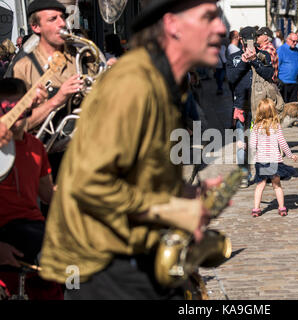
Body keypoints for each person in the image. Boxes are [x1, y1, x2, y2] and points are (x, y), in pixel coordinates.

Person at [38, 0, 228, 300]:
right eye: (208, 17)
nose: (221, 28)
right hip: (105, 267)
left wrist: (183, 193)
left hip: (135, 255)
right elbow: (89, 184)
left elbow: (134, 172)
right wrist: (173, 209)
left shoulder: (166, 82)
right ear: (172, 25)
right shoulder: (132, 84)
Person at [11, 0, 87, 180]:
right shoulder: (24, 67)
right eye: (53, 19)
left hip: (86, 153)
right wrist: (57, 100)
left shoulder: (82, 56)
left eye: (62, 17)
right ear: (36, 27)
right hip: (51, 162)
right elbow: (18, 126)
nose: (62, 23)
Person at [0, 78, 62, 299]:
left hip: (33, 229)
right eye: (8, 109)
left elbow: (47, 195)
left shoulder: (36, 147)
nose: (16, 117)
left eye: (21, 108)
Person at [226, 26, 274, 188]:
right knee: (242, 143)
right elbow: (230, 79)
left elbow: (269, 75)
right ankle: (244, 175)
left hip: (261, 107)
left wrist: (255, 60)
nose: (251, 44)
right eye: (248, 41)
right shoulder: (234, 57)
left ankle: (263, 173)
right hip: (242, 105)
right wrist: (244, 61)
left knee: (262, 142)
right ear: (242, 41)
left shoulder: (264, 55)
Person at [249, 98, 297, 217]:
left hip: (261, 161)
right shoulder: (276, 126)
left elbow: (252, 145)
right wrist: (290, 155)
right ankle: (281, 208)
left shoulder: (256, 127)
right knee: (277, 185)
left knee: (260, 186)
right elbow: (283, 143)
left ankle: (256, 208)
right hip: (274, 161)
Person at [277, 33, 298, 103]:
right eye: (293, 41)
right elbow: (277, 65)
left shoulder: (297, 50)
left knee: (293, 107)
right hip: (283, 82)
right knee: (284, 106)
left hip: (294, 83)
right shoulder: (281, 49)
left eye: (297, 41)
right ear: (287, 39)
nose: (295, 43)